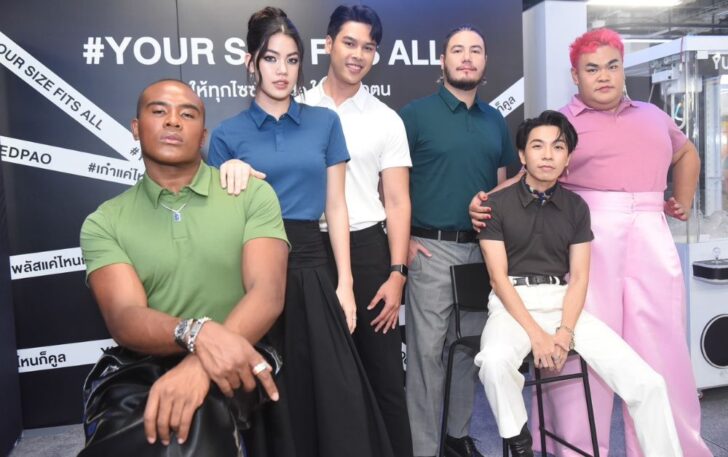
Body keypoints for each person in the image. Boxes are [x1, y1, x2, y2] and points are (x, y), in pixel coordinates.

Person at [469, 29, 710, 457]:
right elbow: (526, 178)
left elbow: (686, 152)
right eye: (592, 69)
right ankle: (574, 449)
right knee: (581, 351)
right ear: (575, 76)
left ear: (623, 69)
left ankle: (675, 448)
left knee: (663, 349)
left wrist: (684, 200)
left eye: (612, 66)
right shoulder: (561, 124)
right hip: (590, 237)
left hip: (652, 234)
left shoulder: (654, 116)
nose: (604, 76)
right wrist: (482, 203)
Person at [207, 7, 394, 457]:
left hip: (313, 266)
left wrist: (345, 283)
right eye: (271, 59)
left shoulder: (324, 123)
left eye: (292, 60)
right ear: (251, 62)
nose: (282, 71)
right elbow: (217, 220)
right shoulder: (227, 135)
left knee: (336, 394)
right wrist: (228, 176)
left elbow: (336, 205)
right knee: (272, 395)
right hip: (253, 272)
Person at [79, 79, 289, 455]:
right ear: (136, 127)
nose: (173, 121)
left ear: (203, 134)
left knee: (190, 426)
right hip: (143, 363)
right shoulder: (104, 222)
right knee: (136, 432)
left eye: (188, 114)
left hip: (241, 349)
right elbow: (124, 316)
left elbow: (267, 294)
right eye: (159, 111)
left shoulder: (252, 195)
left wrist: (198, 365)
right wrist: (197, 335)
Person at [400, 24, 517, 457]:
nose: (467, 57)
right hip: (430, 250)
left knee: (469, 351)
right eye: (458, 50)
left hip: (481, 253)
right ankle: (423, 449)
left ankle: (456, 438)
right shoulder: (415, 115)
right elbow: (389, 185)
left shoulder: (495, 120)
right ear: (443, 61)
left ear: (485, 63)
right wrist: (402, 242)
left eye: (475, 51)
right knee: (427, 357)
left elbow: (501, 188)